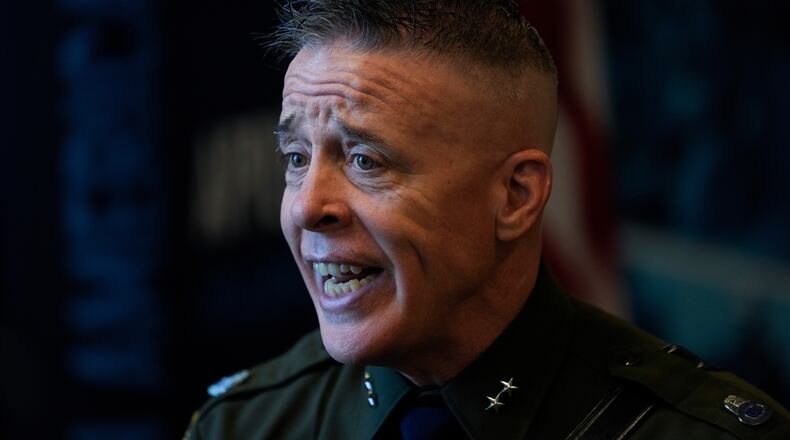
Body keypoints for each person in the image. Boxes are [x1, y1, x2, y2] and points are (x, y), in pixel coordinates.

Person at [184, 1, 789, 438]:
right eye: (295, 158)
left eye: (366, 160)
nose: (306, 207)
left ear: (516, 197)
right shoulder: (245, 424)